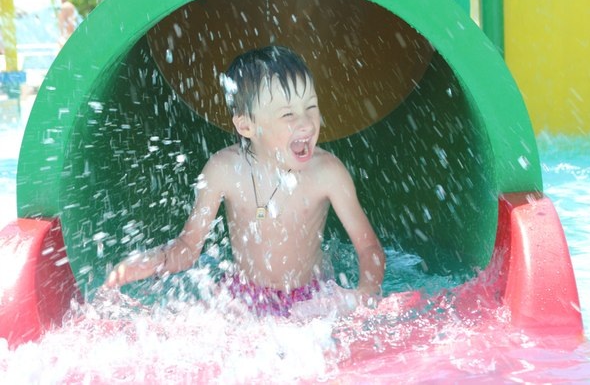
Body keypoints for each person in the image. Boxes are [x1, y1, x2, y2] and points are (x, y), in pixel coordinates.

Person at [105, 45, 385, 317]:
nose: (307, 123)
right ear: (246, 126)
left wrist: (365, 293)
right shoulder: (223, 170)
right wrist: (150, 262)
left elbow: (369, 248)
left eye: (311, 107)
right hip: (245, 294)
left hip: (311, 295)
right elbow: (188, 248)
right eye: (288, 114)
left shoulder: (327, 173)